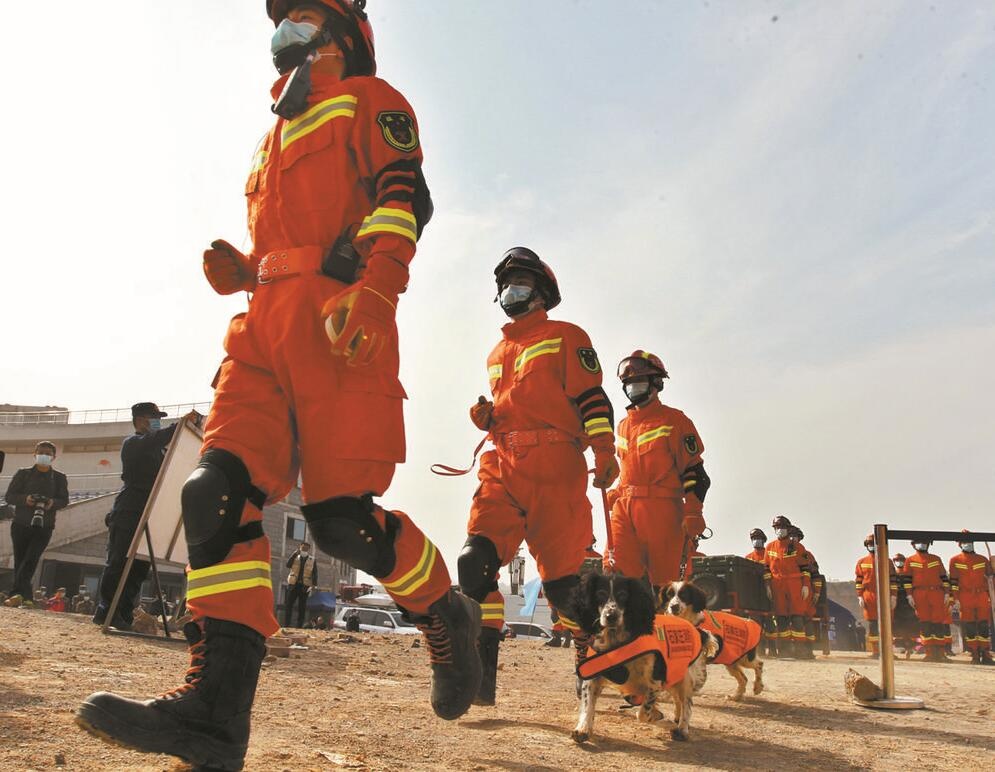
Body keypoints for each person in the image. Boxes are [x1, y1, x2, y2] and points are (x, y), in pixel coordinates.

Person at [78, 5, 480, 768]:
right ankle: (214, 716)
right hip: (262, 326)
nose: (284, 34)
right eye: (279, 22)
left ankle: (443, 610)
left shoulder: (373, 98)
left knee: (338, 526)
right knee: (213, 489)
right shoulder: (273, 131)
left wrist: (379, 291)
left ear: (344, 34)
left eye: (301, 19)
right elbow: (292, 232)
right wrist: (248, 268)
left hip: (338, 323)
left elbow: (404, 199)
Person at [458, 247, 619, 707]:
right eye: (507, 284)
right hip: (503, 464)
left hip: (556, 468)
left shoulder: (567, 335)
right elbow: (520, 403)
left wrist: (606, 451)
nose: (512, 291)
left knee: (567, 592)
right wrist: (490, 418)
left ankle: (595, 670)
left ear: (542, 291)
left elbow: (592, 399)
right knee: (475, 563)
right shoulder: (497, 352)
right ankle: (478, 682)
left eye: (523, 282)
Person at [605, 350, 709, 590]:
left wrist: (693, 511)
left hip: (662, 511)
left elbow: (695, 472)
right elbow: (629, 471)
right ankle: (628, 625)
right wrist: (617, 493)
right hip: (625, 508)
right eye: (628, 383)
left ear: (656, 384)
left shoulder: (674, 421)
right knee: (616, 573)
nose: (633, 388)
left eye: (638, 382)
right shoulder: (622, 426)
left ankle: (668, 626)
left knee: (665, 586)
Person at [92, 403, 179, 631]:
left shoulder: (159, 451)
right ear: (140, 420)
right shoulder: (134, 443)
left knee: (139, 568)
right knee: (118, 563)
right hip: (129, 510)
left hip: (150, 513)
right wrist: (180, 426)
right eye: (154, 417)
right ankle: (107, 610)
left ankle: (122, 612)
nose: (156, 421)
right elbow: (158, 438)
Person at [4, 442, 69, 602]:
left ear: (54, 457)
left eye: (47, 453)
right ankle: (22, 595)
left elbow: (64, 500)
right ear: (34, 454)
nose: (44, 456)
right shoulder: (23, 474)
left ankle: (17, 593)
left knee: (31, 558)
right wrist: (26, 499)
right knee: (20, 559)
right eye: (41, 452)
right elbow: (9, 496)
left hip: (44, 526)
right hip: (21, 524)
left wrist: (51, 502)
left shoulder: (59, 478)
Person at [763, 515, 812, 658]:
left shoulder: (797, 546)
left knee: (797, 618)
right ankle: (784, 650)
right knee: (781, 618)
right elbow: (766, 568)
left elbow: (805, 569)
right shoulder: (770, 547)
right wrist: (767, 586)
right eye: (777, 528)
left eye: (782, 528)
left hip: (795, 584)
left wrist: (806, 586)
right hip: (777, 585)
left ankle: (800, 650)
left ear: (788, 529)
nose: (779, 530)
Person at [900, 540, 951, 662]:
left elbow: (944, 577)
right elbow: (907, 580)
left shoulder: (936, 559)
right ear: (913, 545)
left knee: (938, 623)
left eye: (924, 542)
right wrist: (909, 595)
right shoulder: (910, 561)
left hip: (936, 593)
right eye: (919, 543)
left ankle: (941, 653)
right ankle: (929, 653)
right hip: (919, 594)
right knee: (925, 624)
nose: (922, 544)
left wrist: (947, 593)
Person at [948, 531, 994, 665]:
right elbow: (954, 582)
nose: (967, 545)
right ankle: (974, 653)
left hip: (981, 595)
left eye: (969, 542)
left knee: (984, 625)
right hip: (965, 595)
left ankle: (985, 654)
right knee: (970, 625)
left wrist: (993, 566)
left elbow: (990, 577)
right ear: (960, 545)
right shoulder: (955, 560)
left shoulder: (983, 559)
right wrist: (955, 599)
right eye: (964, 543)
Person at [853, 534, 897, 658]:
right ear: (866, 546)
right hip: (869, 595)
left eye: (873, 544)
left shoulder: (887, 561)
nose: (871, 546)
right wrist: (860, 596)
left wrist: (893, 596)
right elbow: (858, 581)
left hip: (884, 594)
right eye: (869, 544)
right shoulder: (861, 562)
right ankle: (876, 651)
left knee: (886, 625)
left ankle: (888, 652)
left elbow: (893, 580)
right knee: (873, 625)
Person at [745, 528, 775, 656]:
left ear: (763, 540)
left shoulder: (768, 555)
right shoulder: (748, 557)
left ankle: (773, 651)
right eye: (754, 539)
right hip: (753, 597)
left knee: (769, 624)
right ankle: (760, 651)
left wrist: (769, 587)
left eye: (758, 538)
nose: (756, 541)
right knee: (755, 625)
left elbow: (772, 572)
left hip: (767, 595)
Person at [284, 542, 317, 628]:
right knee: (289, 605)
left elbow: (314, 573)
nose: (304, 550)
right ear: (300, 548)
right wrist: (294, 554)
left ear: (308, 549)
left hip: (304, 586)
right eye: (303, 548)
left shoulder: (312, 559)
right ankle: (286, 624)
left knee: (302, 607)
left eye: (306, 548)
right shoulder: (295, 557)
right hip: (293, 585)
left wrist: (314, 585)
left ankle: (299, 625)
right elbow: (288, 565)